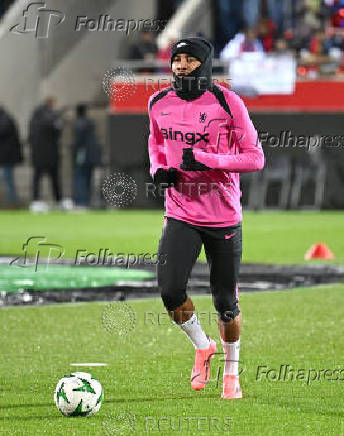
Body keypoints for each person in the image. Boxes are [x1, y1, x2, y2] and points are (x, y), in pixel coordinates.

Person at [148, 37, 264, 399]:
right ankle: (202, 345)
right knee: (170, 291)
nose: (181, 66)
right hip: (180, 211)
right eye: (177, 59)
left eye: (190, 60)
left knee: (226, 303)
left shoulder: (228, 103)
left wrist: (210, 160)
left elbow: (255, 158)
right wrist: (158, 169)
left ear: (206, 63)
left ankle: (232, 371)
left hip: (223, 215)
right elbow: (155, 142)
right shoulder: (157, 102)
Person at [28, 97, 63, 211]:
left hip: (37, 154)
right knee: (54, 179)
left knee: (37, 178)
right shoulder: (52, 118)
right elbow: (57, 132)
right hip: (50, 154)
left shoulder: (34, 119)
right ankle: (58, 200)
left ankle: (36, 200)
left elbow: (30, 137)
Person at [72, 104, 101, 208]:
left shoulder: (79, 124)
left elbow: (78, 142)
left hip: (83, 154)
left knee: (80, 177)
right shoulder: (90, 124)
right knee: (88, 178)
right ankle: (87, 200)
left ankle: (81, 201)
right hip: (92, 155)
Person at [0, 105, 22, 207]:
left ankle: (13, 203)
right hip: (6, 156)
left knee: (8, 180)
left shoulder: (5, 120)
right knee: (8, 180)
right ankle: (12, 202)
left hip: (6, 157)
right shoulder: (6, 118)